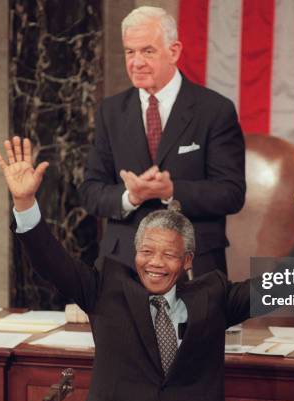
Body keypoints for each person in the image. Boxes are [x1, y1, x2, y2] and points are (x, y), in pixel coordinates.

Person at [0, 136, 288, 401]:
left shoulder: (212, 294)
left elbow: (274, 289)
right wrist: (24, 202)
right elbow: (51, 261)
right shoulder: (105, 288)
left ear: (187, 261)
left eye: (169, 254)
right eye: (147, 252)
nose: (155, 263)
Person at [79, 6, 245, 276]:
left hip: (192, 263)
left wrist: (171, 191)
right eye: (130, 52)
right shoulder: (110, 112)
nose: (137, 62)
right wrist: (130, 196)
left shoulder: (214, 110)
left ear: (174, 51)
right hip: (123, 264)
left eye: (148, 51)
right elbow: (90, 192)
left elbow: (231, 193)